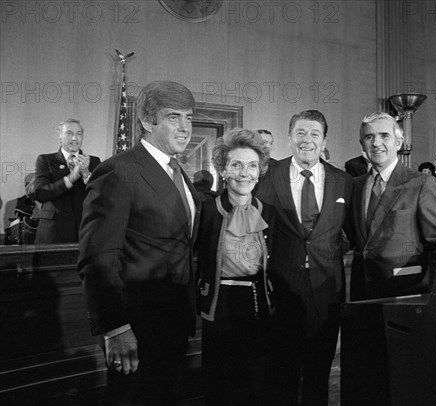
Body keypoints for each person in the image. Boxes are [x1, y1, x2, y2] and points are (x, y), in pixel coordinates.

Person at [78, 81, 201, 405]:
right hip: (136, 328)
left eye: (189, 118)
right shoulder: (119, 171)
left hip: (174, 324)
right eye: (174, 117)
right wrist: (115, 328)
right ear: (147, 121)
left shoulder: (180, 173)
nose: (185, 128)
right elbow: (98, 258)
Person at [255, 110, 352, 406]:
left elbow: (352, 232)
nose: (306, 140)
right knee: (280, 371)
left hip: (327, 289)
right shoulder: (267, 175)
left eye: (314, 134)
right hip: (280, 288)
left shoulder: (344, 181)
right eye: (300, 133)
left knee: (318, 372)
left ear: (323, 140)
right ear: (289, 137)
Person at [197, 128, 276, 406]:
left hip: (258, 305)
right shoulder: (205, 210)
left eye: (252, 166)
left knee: (255, 383)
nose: (245, 173)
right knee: (220, 383)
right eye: (237, 165)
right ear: (224, 170)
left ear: (260, 171)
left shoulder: (269, 212)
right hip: (220, 305)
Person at [345, 112, 436, 301]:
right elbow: (348, 237)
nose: (376, 143)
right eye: (369, 137)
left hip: (406, 292)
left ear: (399, 142)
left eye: (384, 136)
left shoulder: (421, 183)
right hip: (361, 294)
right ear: (362, 144)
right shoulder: (354, 185)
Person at [33, 118, 100, 244]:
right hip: (54, 232)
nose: (74, 138)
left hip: (84, 230)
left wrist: (86, 174)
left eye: (79, 134)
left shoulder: (94, 162)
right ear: (60, 137)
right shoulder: (46, 160)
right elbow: (41, 194)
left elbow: (101, 194)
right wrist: (72, 177)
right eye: (69, 133)